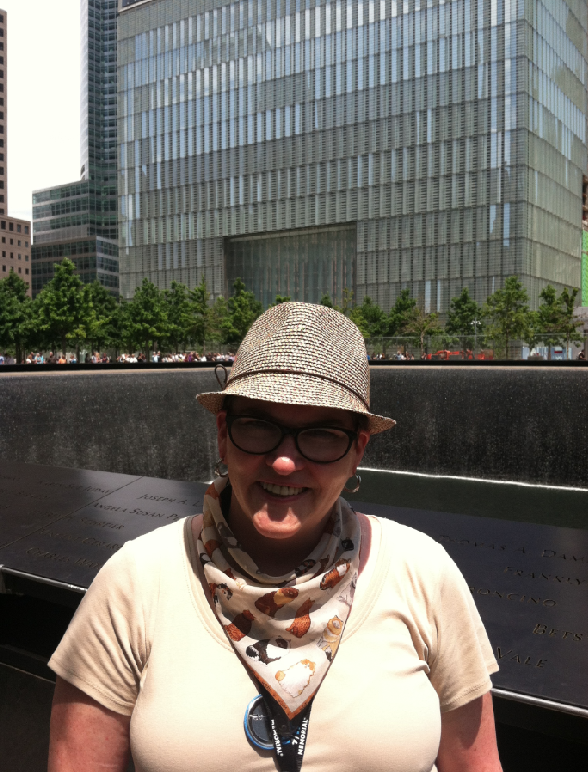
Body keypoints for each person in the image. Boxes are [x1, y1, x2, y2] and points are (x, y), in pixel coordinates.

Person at [48, 303, 501, 772]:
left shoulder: (425, 572)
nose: (285, 462)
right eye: (259, 426)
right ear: (224, 435)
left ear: (357, 453)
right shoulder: (133, 582)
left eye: (322, 435)